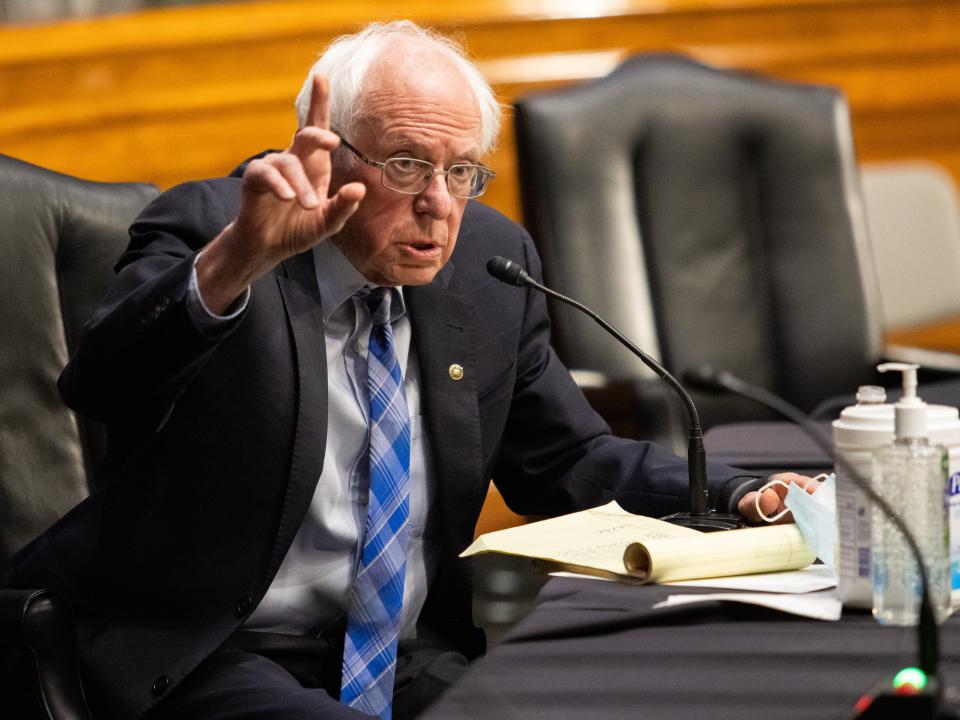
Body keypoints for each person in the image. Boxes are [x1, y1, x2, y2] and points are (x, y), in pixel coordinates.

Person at [9, 20, 814, 720]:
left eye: (461, 169)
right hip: (204, 652)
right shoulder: (220, 230)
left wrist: (737, 495)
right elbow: (103, 386)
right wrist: (233, 265)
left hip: (405, 656)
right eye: (405, 164)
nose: (440, 202)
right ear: (331, 155)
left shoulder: (489, 264)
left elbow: (565, 460)